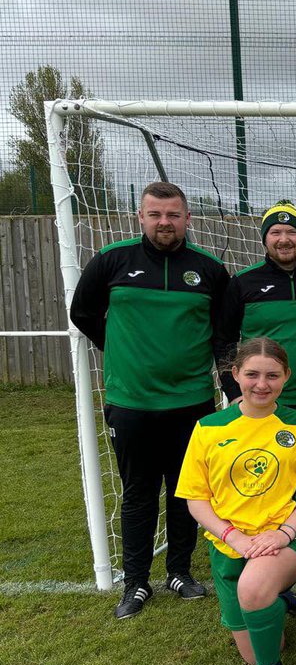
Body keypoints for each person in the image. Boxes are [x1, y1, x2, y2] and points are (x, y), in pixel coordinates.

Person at [69, 181, 230, 619]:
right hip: (132, 402)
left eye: (173, 215)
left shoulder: (209, 270)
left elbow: (223, 335)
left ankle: (179, 571)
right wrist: (122, 352)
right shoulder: (111, 261)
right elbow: (82, 313)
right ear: (140, 216)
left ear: (187, 219)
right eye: (155, 214)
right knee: (139, 492)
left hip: (191, 402)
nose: (164, 222)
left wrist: (231, 391)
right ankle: (136, 582)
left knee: (186, 492)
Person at [177, 338, 296, 665]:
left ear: (286, 376)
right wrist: (234, 537)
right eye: (252, 374)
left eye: (272, 375)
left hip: (287, 536)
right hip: (231, 543)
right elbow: (196, 499)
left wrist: (284, 532)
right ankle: (276, 594)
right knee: (251, 649)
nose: (262, 384)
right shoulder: (208, 428)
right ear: (234, 374)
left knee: (261, 624)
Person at [216, 201, 296, 580]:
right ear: (265, 239)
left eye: (291, 233)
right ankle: (268, 546)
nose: (284, 239)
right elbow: (223, 339)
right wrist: (232, 391)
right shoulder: (243, 283)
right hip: (267, 400)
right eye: (275, 233)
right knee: (273, 479)